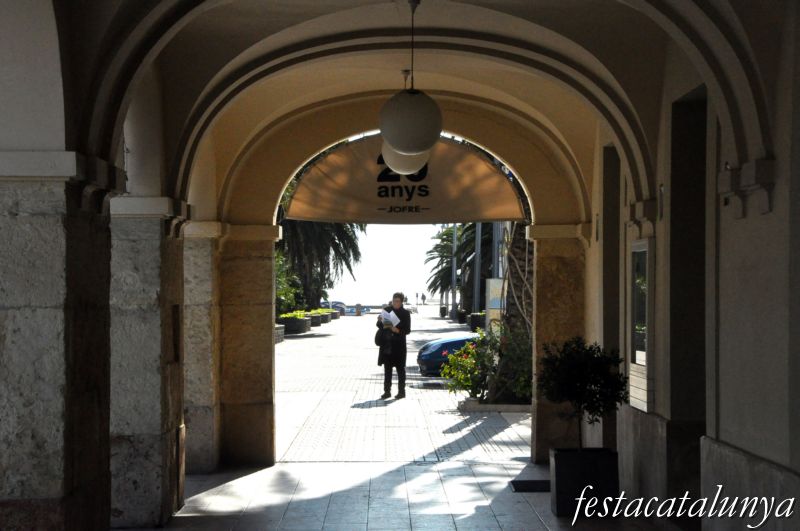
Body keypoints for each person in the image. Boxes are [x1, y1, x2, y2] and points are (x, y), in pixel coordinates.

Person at [376, 292, 411, 399]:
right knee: (387, 371)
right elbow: (380, 326)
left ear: (401, 302)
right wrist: (379, 320)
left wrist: (398, 330)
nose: (395, 303)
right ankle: (387, 392)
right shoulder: (387, 310)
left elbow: (407, 330)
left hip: (399, 346)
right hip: (387, 345)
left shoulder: (405, 313)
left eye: (397, 301)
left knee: (400, 370)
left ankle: (401, 392)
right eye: (393, 300)